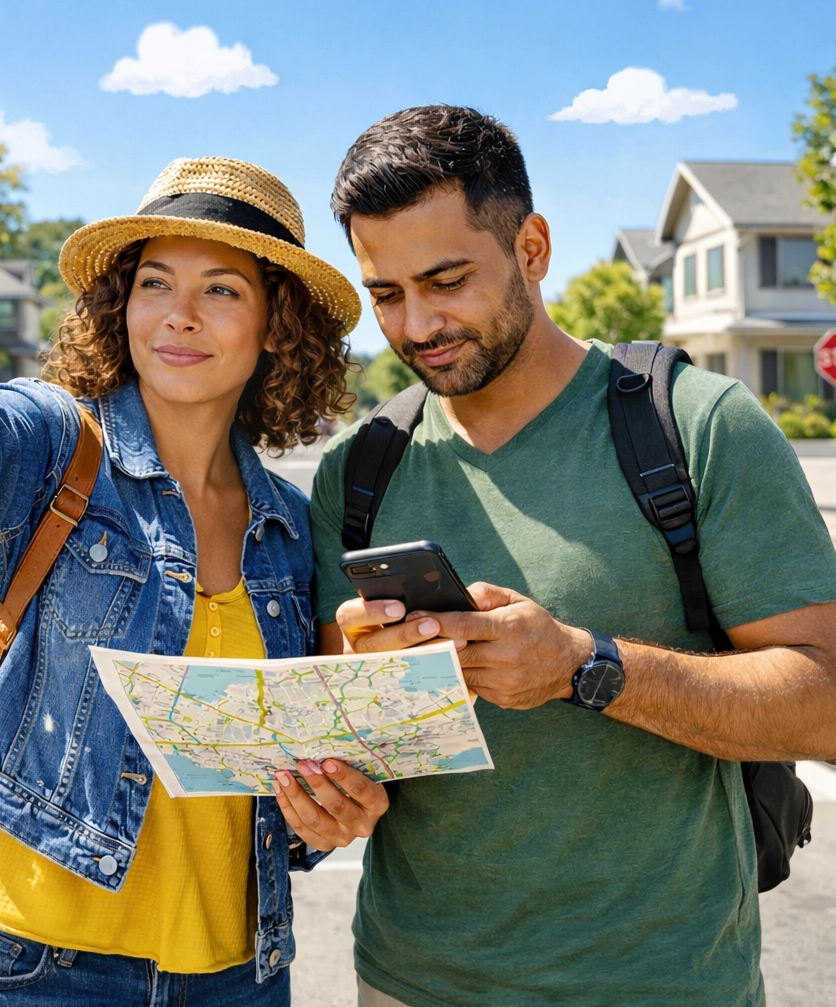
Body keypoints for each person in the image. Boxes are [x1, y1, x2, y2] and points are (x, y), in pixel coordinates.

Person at [0, 157, 389, 1007]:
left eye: (222, 290)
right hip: (20, 970)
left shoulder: (291, 528)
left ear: (277, 324)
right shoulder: (52, 448)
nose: (179, 316)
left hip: (238, 975)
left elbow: (294, 767)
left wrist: (331, 811)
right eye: (155, 283)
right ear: (122, 306)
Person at [310, 106, 836, 1007]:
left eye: (447, 279)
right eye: (387, 294)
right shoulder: (356, 472)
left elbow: (825, 704)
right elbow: (342, 740)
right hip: (408, 982)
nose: (418, 323)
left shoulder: (698, 427)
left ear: (533, 247)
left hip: (665, 985)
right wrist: (346, 743)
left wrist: (583, 667)